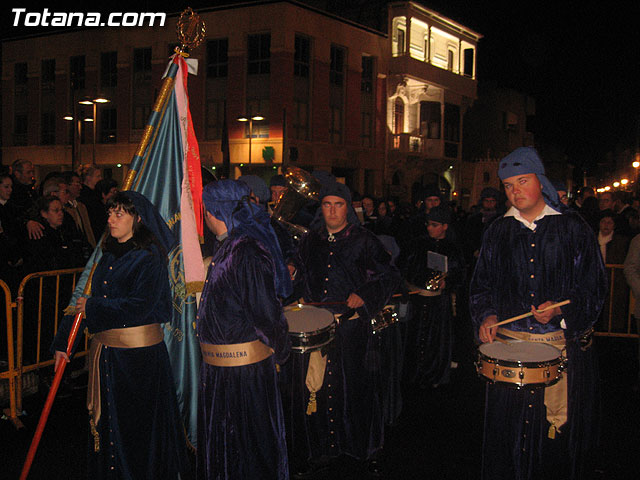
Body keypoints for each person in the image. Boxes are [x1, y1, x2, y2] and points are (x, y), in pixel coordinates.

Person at [470, 147, 607, 480]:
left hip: (558, 349)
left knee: (553, 438)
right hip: (509, 351)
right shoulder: (498, 232)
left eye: (522, 181)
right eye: (508, 185)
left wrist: (561, 312)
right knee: (509, 434)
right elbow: (481, 286)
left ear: (540, 181)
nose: (515, 191)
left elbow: (594, 287)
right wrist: (487, 315)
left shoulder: (573, 229)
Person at [52, 191, 189, 479]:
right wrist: (65, 343)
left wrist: (94, 307)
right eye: (110, 213)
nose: (111, 220)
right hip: (109, 357)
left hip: (138, 362)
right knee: (110, 427)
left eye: (120, 214)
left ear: (137, 219)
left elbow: (143, 306)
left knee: (135, 428)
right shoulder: (109, 253)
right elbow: (84, 301)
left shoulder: (150, 257)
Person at [286, 180, 401, 476]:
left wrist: (364, 294)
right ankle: (321, 449)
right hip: (316, 332)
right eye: (327, 204)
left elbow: (388, 277)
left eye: (338, 204)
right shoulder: (311, 240)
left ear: (347, 208)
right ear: (321, 208)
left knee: (357, 390)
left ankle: (363, 448)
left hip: (351, 331)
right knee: (317, 390)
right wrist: (292, 270)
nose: (332, 211)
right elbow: (299, 272)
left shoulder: (364, 240)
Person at [197, 180, 291, 480]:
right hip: (222, 373)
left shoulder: (245, 251)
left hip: (244, 375)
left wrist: (279, 351)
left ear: (213, 212)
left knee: (249, 448)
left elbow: (265, 312)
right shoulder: (228, 248)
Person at [397, 205, 465, 388]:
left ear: (444, 226)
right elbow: (404, 268)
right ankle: (412, 373)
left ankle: (434, 374)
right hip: (417, 300)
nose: (429, 228)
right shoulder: (417, 244)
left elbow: (460, 275)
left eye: (434, 225)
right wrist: (417, 281)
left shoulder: (452, 248)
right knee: (413, 337)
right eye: (428, 224)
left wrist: (447, 283)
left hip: (439, 303)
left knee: (436, 340)